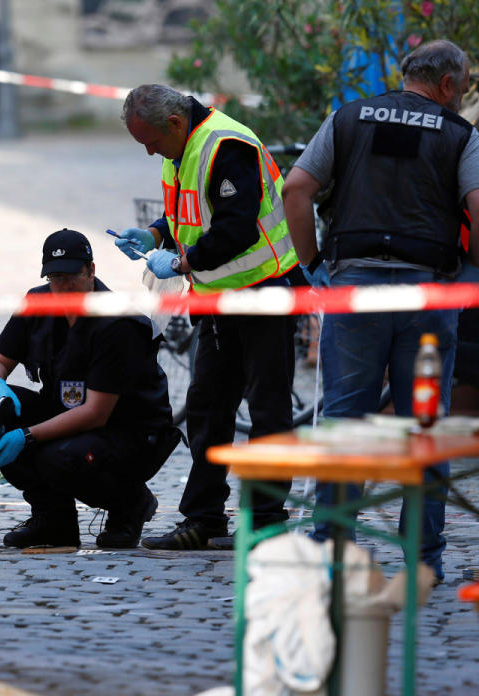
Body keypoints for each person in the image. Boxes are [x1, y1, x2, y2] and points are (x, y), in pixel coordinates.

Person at [281, 39, 479, 581]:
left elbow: (296, 189)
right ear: (449, 85)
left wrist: (312, 266)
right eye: (465, 86)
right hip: (428, 299)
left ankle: (334, 548)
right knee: (424, 427)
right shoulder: (459, 134)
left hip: (354, 292)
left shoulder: (349, 118)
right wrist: (471, 272)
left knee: (344, 423)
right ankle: (423, 560)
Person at [116, 84, 299, 550]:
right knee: (207, 408)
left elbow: (235, 228)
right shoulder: (180, 148)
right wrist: (156, 233)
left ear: (175, 123)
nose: (149, 151)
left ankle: (265, 520)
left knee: (268, 410)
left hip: (263, 291)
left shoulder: (226, 145)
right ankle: (204, 518)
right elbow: (189, 212)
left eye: (151, 142)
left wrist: (181, 263)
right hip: (218, 299)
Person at [0, 229, 180, 549]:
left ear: (91, 271)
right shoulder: (39, 302)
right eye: (56, 278)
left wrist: (27, 436)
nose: (64, 286)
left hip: (128, 433)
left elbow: (96, 412)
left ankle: (129, 503)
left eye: (72, 276)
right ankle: (53, 519)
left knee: (58, 457)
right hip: (70, 414)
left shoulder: (115, 322)